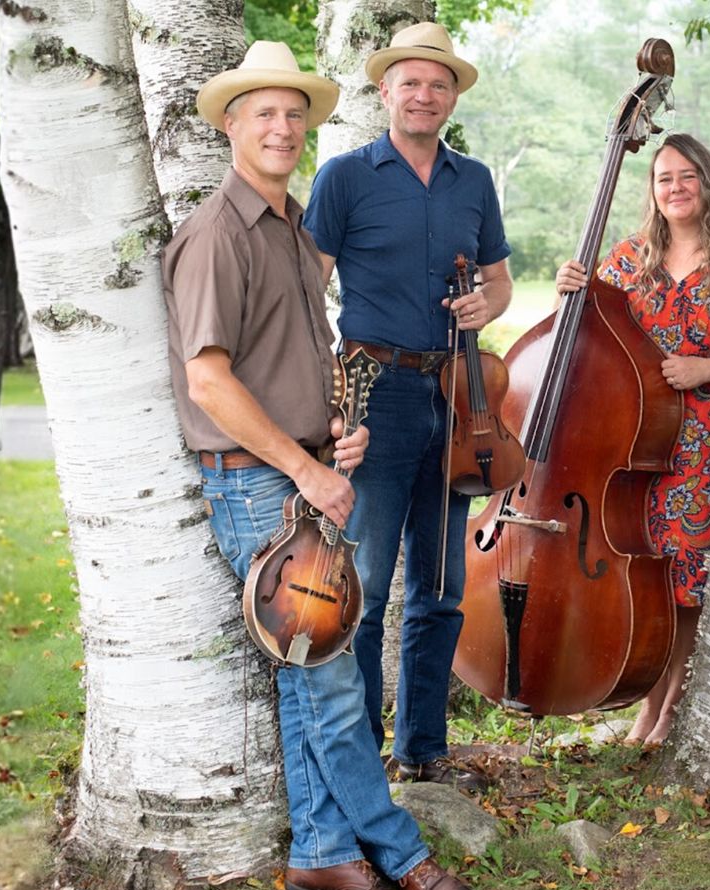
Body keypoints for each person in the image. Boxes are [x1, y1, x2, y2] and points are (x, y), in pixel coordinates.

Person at [162, 41, 475, 890]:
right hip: (258, 481)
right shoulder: (216, 234)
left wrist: (331, 427)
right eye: (263, 112)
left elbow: (291, 356)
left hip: (301, 471)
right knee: (333, 678)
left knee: (309, 666)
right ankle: (403, 856)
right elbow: (208, 379)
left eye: (295, 113)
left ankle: (322, 856)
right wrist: (305, 465)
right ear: (231, 124)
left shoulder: (296, 229)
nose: (283, 127)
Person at [303, 22, 512, 793]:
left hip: (457, 394)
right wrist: (328, 396)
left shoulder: (475, 180)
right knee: (361, 583)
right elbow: (307, 287)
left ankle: (424, 749)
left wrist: (482, 308)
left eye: (439, 83)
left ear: (453, 96)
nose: (425, 95)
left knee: (441, 584)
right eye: (411, 82)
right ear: (385, 90)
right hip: (374, 395)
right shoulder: (346, 177)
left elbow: (499, 283)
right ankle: (356, 756)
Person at [554, 133, 710, 747]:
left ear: (707, 182)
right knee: (642, 573)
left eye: (687, 176)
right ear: (652, 191)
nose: (676, 188)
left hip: (697, 446)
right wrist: (571, 290)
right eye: (664, 178)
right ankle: (646, 700)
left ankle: (672, 701)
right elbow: (589, 331)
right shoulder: (630, 259)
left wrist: (709, 368)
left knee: (683, 579)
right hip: (630, 446)